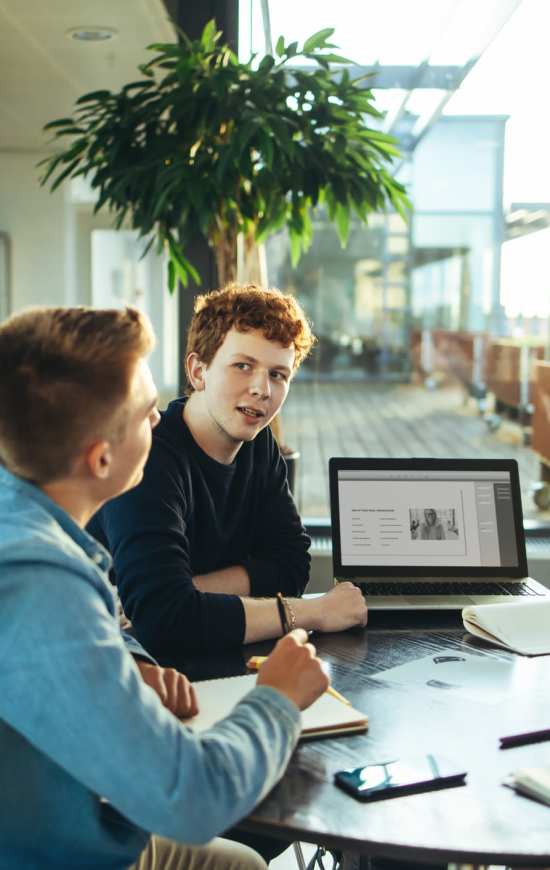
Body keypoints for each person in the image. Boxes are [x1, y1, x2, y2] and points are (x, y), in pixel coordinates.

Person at [0, 305, 329, 870]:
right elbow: (194, 799)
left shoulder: (26, 523)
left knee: (243, 864)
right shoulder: (41, 586)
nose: (160, 423)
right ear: (102, 457)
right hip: (58, 854)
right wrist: (276, 697)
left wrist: (124, 660)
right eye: (147, 414)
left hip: (84, 821)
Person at [89, 283, 368, 663]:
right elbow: (164, 621)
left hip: (218, 656)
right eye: (243, 366)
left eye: (278, 375)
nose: (261, 389)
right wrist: (312, 611)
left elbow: (291, 566)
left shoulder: (260, 444)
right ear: (198, 371)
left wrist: (188, 591)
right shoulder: (147, 454)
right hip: (126, 665)